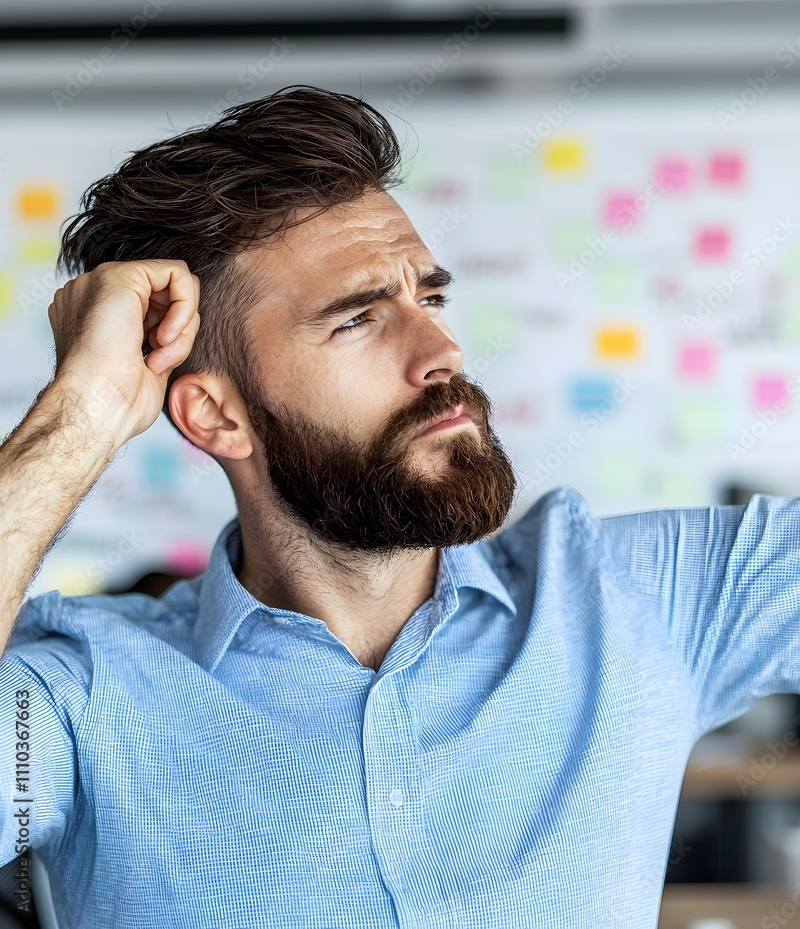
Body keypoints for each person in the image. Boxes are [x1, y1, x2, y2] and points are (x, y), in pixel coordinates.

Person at [0, 84, 798, 929]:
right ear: (215, 414)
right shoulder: (83, 694)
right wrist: (79, 416)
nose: (441, 352)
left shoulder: (646, 598)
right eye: (357, 321)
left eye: (431, 299)